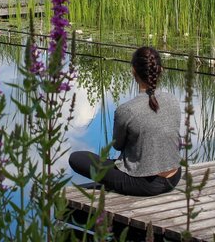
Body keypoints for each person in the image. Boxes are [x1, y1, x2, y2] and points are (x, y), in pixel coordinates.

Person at [69, 46, 182, 196]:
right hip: (174, 177)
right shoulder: (173, 100)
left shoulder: (127, 110)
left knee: (76, 158)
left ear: (133, 71)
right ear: (160, 70)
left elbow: (117, 145)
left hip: (144, 184)